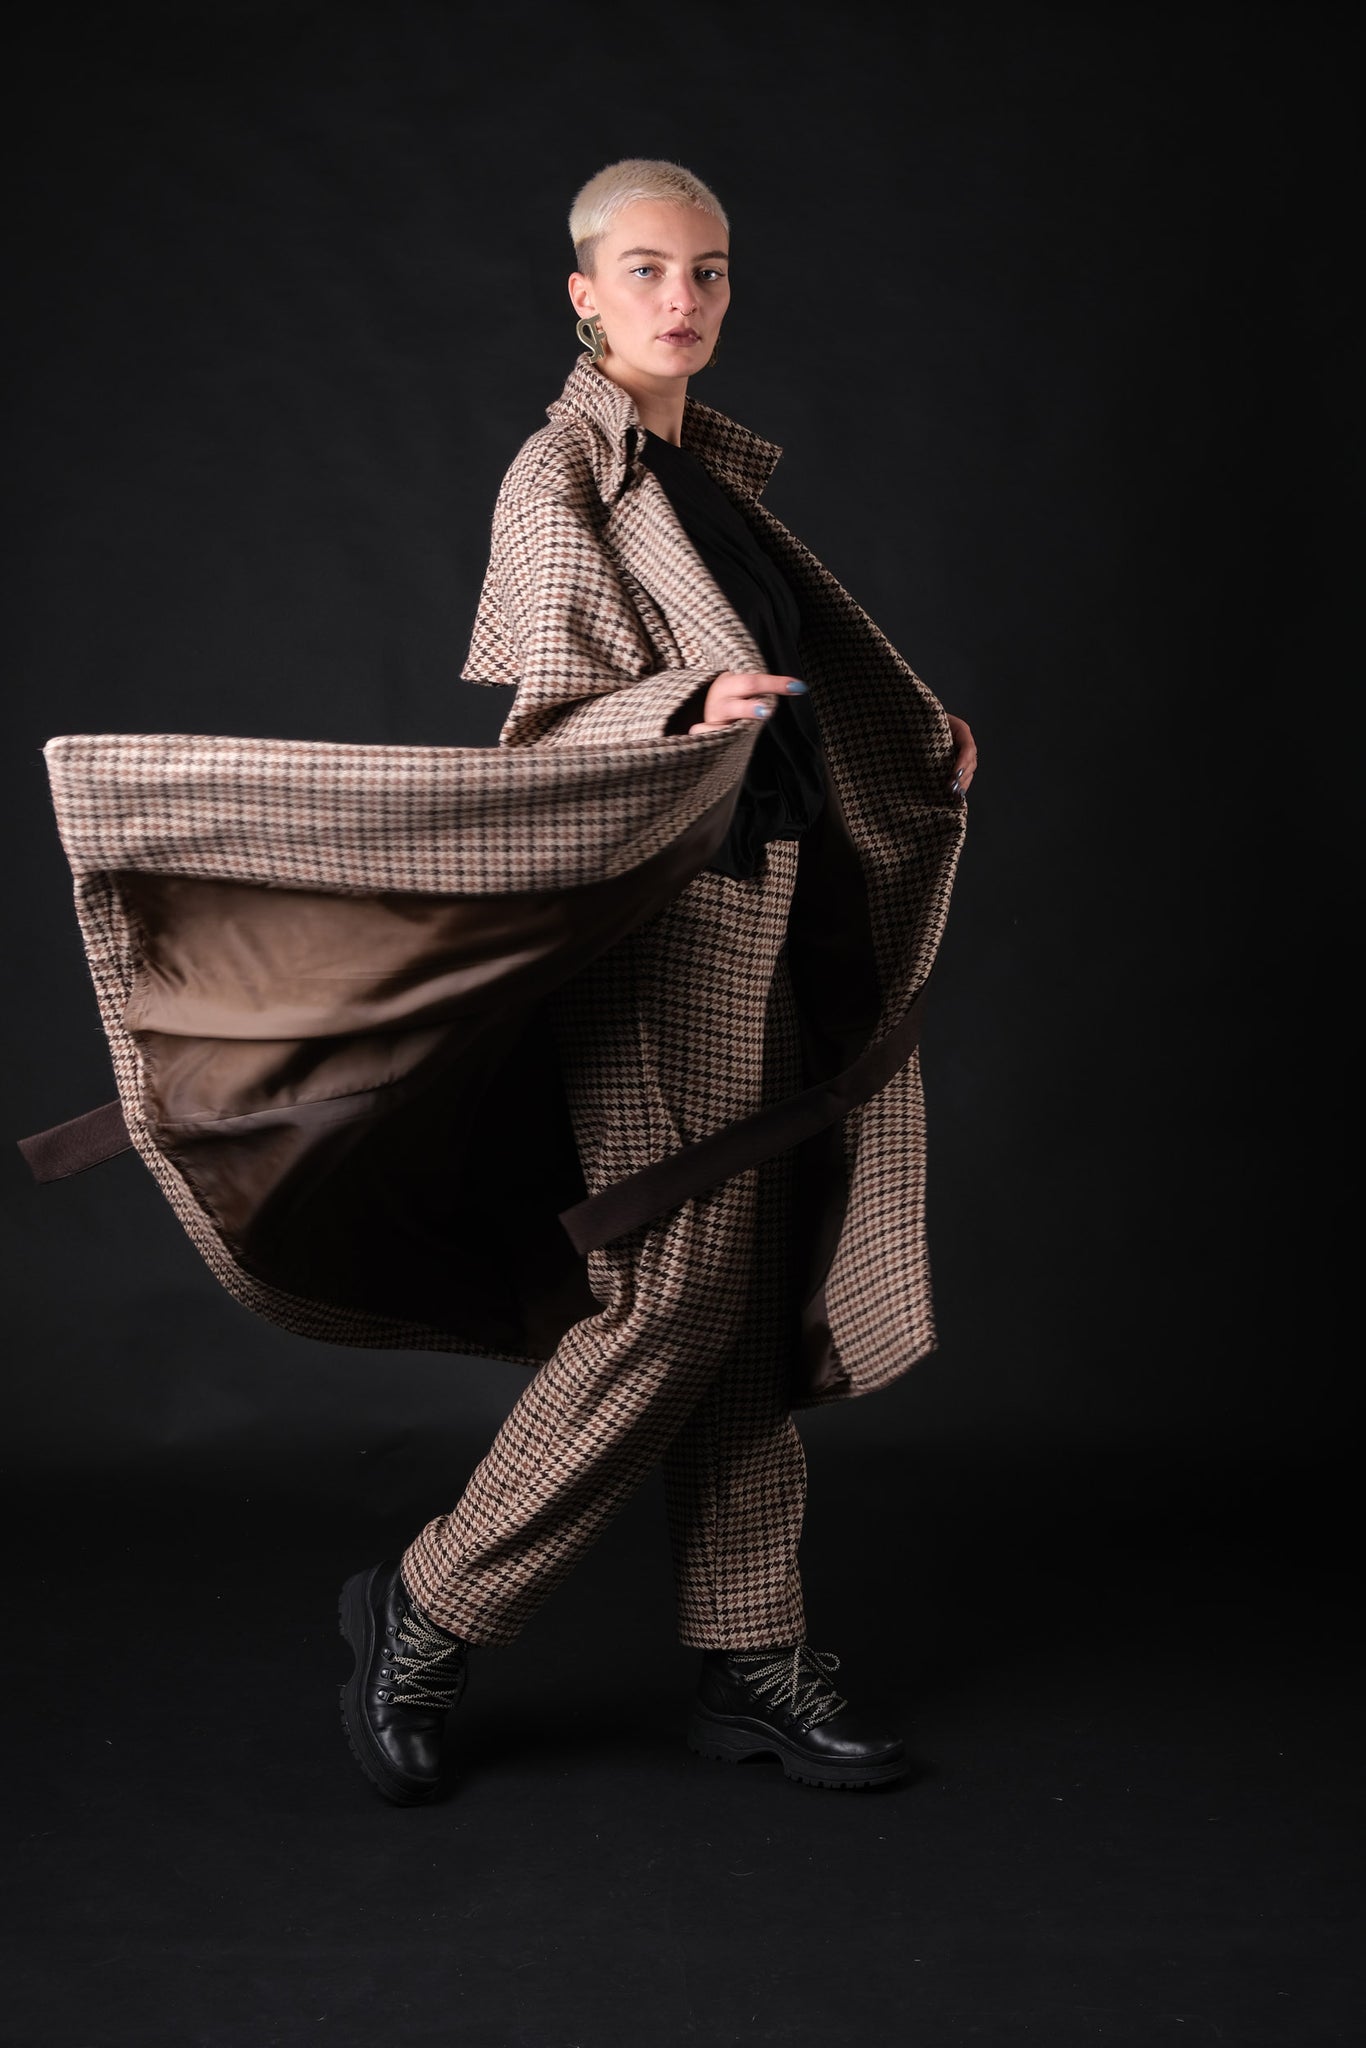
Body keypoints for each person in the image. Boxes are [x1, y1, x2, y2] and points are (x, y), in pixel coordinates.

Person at [337, 158, 978, 1804]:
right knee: (671, 1288)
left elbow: (794, 692)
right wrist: (671, 710)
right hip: (656, 928)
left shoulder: (709, 480)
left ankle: (748, 1657)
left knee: (750, 1293)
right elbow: (544, 726)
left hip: (772, 905)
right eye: (643, 270)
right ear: (581, 294)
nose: (679, 299)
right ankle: (429, 1605)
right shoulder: (561, 471)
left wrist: (912, 740)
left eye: (705, 271)